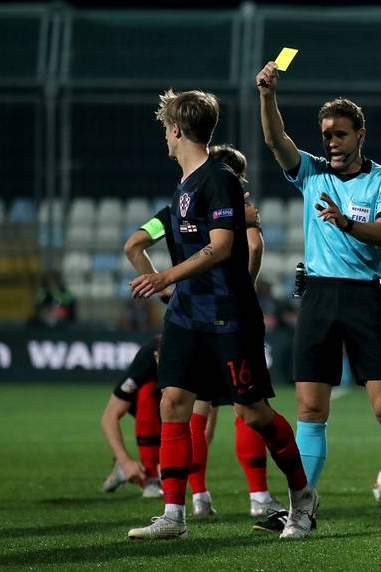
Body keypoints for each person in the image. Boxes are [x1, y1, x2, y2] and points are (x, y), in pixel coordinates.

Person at [256, 62, 381, 530]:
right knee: (310, 410)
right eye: (325, 135)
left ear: (360, 133)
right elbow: (278, 142)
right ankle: (303, 510)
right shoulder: (311, 173)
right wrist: (267, 96)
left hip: (363, 299)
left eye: (339, 134)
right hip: (318, 297)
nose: (331, 142)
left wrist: (345, 223)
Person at [125, 89, 315, 541]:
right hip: (188, 316)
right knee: (172, 402)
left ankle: (303, 499)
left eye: (165, 130)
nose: (165, 140)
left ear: (175, 129)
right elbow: (141, 244)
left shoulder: (219, 178)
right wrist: (173, 288)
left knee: (253, 413)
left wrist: (165, 276)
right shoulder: (184, 187)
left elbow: (224, 247)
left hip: (228, 316)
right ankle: (174, 515)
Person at [121, 143, 285, 520]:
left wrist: (167, 291)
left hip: (187, 314)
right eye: (239, 178)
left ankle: (198, 498)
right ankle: (259, 496)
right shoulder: (236, 216)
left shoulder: (171, 212)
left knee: (193, 412)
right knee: (247, 409)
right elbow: (253, 254)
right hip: (227, 317)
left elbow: (133, 245)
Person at [101, 338, 164, 499]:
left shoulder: (198, 357)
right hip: (156, 407)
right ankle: (150, 477)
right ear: (157, 356)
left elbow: (206, 412)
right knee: (146, 395)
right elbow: (109, 416)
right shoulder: (146, 361)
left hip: (179, 407)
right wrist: (125, 461)